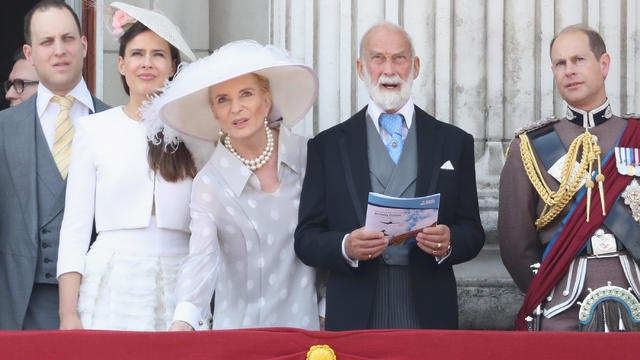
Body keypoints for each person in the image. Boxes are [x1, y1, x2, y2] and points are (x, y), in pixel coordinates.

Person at [294, 22, 485, 331]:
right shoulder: (327, 146)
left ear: (416, 66)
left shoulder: (454, 142)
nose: (389, 69)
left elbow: (474, 232)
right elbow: (305, 239)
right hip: (354, 308)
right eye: (377, 58)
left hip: (429, 309)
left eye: (399, 58)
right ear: (360, 67)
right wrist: (346, 246)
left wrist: (448, 243)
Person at [142, 39, 322, 331]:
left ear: (266, 101)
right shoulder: (210, 183)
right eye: (222, 99)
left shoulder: (309, 156)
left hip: (307, 330)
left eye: (246, 94)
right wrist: (183, 321)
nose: (236, 108)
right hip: (239, 334)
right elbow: (201, 259)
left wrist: (328, 309)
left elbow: (329, 236)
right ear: (214, 112)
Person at [56, 1, 197, 331]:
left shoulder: (196, 135)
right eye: (137, 54)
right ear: (121, 64)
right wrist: (68, 314)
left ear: (173, 66)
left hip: (182, 284)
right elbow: (75, 228)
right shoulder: (93, 129)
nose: (147, 63)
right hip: (110, 285)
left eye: (158, 54)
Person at [499, 24, 640, 331]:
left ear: (604, 65)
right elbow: (514, 242)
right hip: (562, 303)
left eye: (579, 60)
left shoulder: (636, 136)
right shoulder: (531, 146)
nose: (569, 71)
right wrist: (546, 292)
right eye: (560, 63)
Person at [0, 0, 109, 330]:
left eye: (68, 38)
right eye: (47, 42)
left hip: (100, 309)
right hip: (16, 310)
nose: (59, 50)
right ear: (30, 54)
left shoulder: (116, 125)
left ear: (85, 45)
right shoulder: (4, 130)